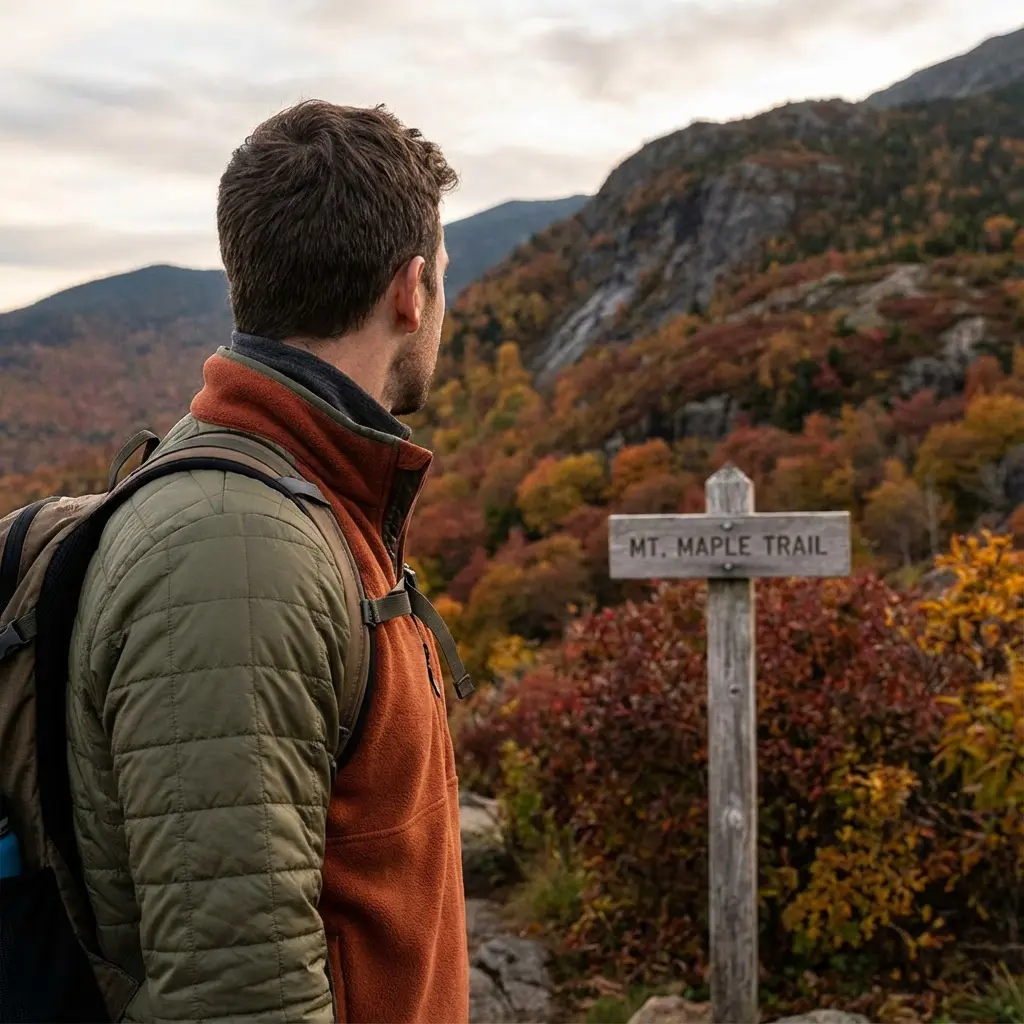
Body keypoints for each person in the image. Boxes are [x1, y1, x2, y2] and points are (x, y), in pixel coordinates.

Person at [66, 100, 468, 1023]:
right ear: (411, 291)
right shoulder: (238, 556)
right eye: (445, 278)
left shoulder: (311, 500)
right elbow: (236, 995)